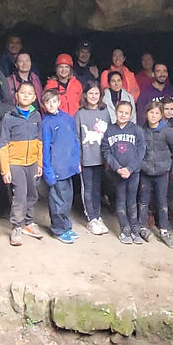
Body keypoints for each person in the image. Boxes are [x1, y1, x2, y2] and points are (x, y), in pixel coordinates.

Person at [0, 81, 44, 246]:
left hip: (32, 162)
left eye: (29, 93)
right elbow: (3, 144)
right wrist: (5, 170)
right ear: (16, 95)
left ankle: (29, 223)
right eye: (22, 92)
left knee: (32, 193)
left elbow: (39, 141)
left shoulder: (36, 116)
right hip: (15, 163)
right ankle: (17, 226)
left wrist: (39, 163)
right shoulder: (9, 117)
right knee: (20, 193)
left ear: (34, 98)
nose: (26, 95)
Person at [39, 88, 81, 243]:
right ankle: (58, 230)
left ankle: (66, 227)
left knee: (67, 199)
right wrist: (48, 171)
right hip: (56, 169)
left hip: (68, 167)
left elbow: (75, 141)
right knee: (57, 201)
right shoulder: (46, 124)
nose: (51, 104)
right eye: (48, 102)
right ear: (43, 105)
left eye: (54, 101)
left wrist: (76, 162)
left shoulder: (68, 118)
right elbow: (45, 150)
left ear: (59, 101)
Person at [102, 100, 146, 244]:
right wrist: (118, 168)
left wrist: (130, 168)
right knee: (120, 201)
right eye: (120, 112)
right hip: (118, 173)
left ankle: (134, 229)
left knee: (132, 201)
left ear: (130, 114)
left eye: (126, 113)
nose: (123, 115)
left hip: (133, 173)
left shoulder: (136, 130)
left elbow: (141, 151)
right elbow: (106, 151)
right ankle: (124, 229)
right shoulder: (110, 131)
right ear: (115, 112)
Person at [137, 100, 173, 247]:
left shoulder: (167, 131)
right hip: (146, 170)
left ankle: (164, 229)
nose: (153, 116)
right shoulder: (141, 131)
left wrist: (167, 164)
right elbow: (138, 149)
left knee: (162, 202)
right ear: (146, 114)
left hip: (162, 172)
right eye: (151, 112)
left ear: (161, 115)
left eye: (157, 113)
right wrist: (142, 164)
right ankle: (142, 226)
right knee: (143, 201)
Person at [75, 81, 112, 235]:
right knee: (88, 188)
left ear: (100, 95)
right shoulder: (79, 114)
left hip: (100, 158)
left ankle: (97, 215)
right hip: (86, 159)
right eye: (90, 93)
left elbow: (110, 135)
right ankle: (91, 218)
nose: (93, 96)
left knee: (97, 189)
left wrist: (108, 158)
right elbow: (76, 138)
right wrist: (77, 159)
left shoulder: (105, 112)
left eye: (96, 93)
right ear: (85, 95)